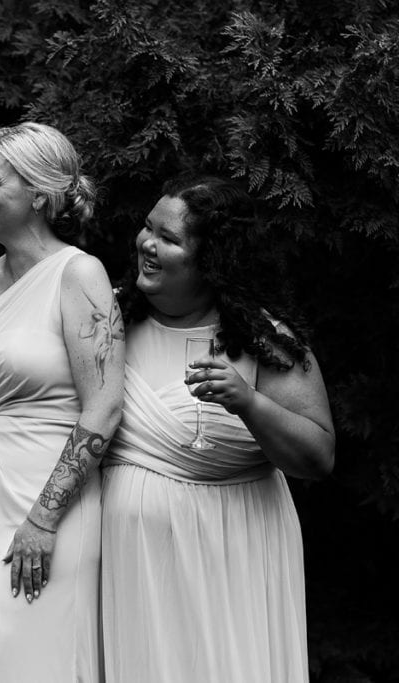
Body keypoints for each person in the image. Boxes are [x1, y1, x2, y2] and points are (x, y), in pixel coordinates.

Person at [101, 174, 334, 682]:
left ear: (211, 261)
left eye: (169, 238)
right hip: (131, 562)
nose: (147, 243)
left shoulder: (262, 340)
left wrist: (249, 402)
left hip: (233, 553)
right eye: (147, 227)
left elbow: (318, 457)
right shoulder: (111, 320)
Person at [0, 122, 124, 682]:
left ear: (39, 194)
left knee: (33, 655)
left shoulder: (80, 274)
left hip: (48, 500)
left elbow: (104, 407)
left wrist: (44, 519)